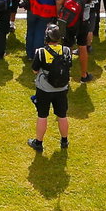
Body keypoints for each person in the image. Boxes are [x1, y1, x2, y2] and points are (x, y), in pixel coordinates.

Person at [27, 24, 71, 153]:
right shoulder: (66, 51)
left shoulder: (41, 52)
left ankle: (38, 143)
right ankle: (64, 141)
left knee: (42, 116)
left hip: (44, 90)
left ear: (46, 37)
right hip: (62, 89)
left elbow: (35, 70)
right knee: (62, 116)